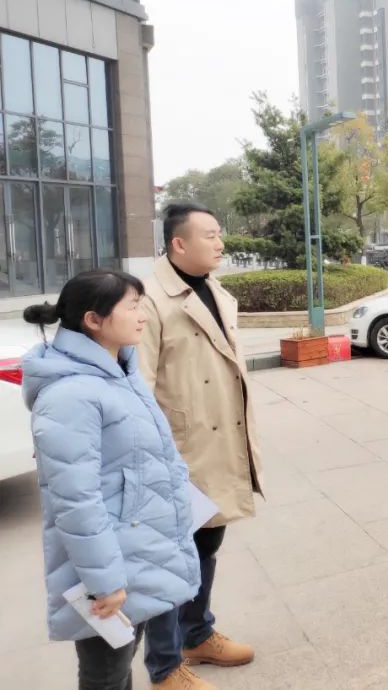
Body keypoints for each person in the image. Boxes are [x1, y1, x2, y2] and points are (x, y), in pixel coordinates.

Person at [21, 270, 201, 690]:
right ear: (93, 320)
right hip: (108, 568)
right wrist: (104, 583)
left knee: (119, 667)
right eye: (133, 306)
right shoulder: (71, 395)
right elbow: (75, 500)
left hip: (136, 551)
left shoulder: (120, 371)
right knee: (106, 675)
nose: (143, 316)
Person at [140, 203, 262, 688]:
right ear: (178, 243)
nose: (220, 242)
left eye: (219, 234)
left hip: (219, 442)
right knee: (171, 556)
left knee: (207, 542)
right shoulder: (148, 300)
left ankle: (197, 634)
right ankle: (165, 664)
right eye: (209, 234)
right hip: (177, 450)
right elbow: (139, 388)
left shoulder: (212, 288)